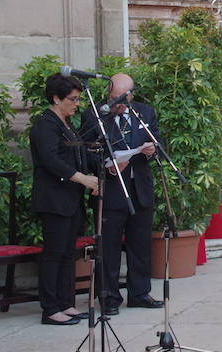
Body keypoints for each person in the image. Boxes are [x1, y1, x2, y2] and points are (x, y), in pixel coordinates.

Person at [80, 73, 162, 315]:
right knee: (109, 247)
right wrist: (107, 164)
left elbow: (159, 142)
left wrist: (151, 151)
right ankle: (108, 298)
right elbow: (85, 152)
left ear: (132, 95)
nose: (117, 103)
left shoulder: (145, 112)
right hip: (111, 190)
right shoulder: (94, 115)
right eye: (113, 97)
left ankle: (139, 293)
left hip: (140, 188)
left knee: (140, 245)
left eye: (122, 99)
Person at [29, 73, 98, 326]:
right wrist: (82, 178)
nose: (77, 103)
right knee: (54, 253)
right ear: (56, 98)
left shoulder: (66, 123)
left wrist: (90, 178)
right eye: (73, 99)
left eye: (78, 99)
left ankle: (65, 303)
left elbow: (75, 156)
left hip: (70, 198)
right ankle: (50, 309)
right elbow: (51, 161)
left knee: (68, 253)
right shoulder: (45, 124)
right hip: (53, 199)